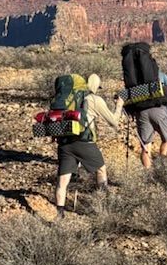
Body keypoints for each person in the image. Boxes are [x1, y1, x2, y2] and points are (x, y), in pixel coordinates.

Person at [46, 70, 121, 213]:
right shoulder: (94, 99)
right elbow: (114, 122)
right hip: (84, 143)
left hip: (64, 143)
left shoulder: (65, 100)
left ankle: (60, 214)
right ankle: (103, 204)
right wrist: (119, 105)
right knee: (101, 169)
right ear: (96, 86)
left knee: (63, 181)